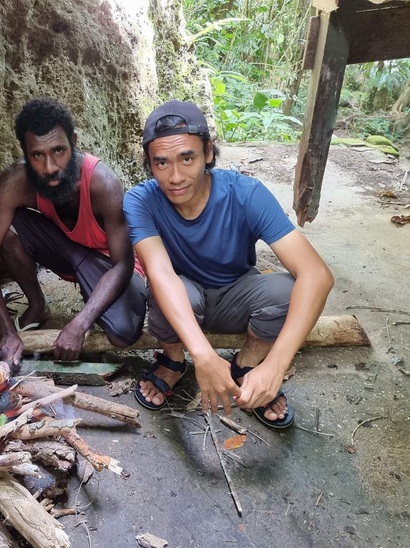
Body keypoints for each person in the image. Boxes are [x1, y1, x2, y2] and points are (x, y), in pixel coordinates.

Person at [123, 100, 334, 428]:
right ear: (149, 165)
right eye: (161, 163)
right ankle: (174, 360)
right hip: (184, 297)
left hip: (237, 292)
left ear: (208, 152)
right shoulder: (140, 200)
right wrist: (203, 356)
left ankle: (248, 366)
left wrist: (276, 366)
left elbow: (317, 274)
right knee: (165, 292)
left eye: (187, 158)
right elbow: (161, 273)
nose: (175, 177)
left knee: (289, 291)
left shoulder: (247, 194)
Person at [0, 97, 147, 368]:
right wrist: (6, 331)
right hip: (65, 249)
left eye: (58, 151)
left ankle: (93, 299)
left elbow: (122, 264)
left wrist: (81, 322)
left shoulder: (103, 184)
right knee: (4, 232)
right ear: (25, 153)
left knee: (123, 333)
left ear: (74, 142)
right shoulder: (16, 182)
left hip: (107, 264)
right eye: (37, 155)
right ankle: (37, 306)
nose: (50, 167)